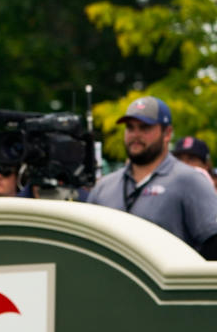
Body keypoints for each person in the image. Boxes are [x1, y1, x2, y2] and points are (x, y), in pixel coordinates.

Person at [88, 96, 217, 258]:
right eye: (130, 127)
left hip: (168, 282)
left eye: (145, 128)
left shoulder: (189, 181)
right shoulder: (104, 187)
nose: (136, 135)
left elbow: (213, 244)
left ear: (167, 133)